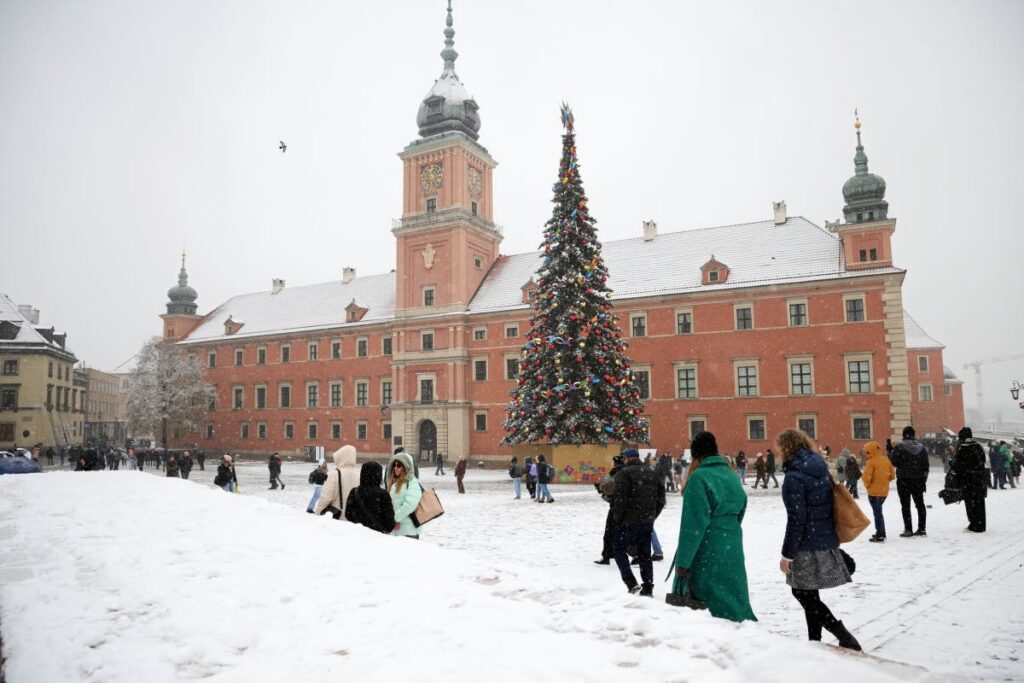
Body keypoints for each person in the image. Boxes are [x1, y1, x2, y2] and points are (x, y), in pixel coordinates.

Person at [777, 428, 860, 650]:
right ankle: (814, 642)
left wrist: (787, 554)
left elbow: (797, 518)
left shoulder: (794, 476)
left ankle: (844, 636)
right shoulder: (819, 468)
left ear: (786, 449)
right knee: (809, 592)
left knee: (802, 593)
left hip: (806, 543)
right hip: (823, 537)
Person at [673, 432, 756, 622]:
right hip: (732, 543)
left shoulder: (698, 478)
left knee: (709, 606)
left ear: (695, 455)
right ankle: (744, 635)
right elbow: (742, 505)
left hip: (708, 547)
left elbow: (693, 525)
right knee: (733, 597)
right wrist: (729, 528)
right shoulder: (730, 474)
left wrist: (683, 563)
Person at [611, 449, 665, 596]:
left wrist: (618, 517)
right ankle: (648, 587)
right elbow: (661, 499)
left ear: (627, 459)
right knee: (645, 554)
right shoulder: (652, 473)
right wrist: (652, 516)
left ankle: (631, 583)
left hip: (628, 521)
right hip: (646, 521)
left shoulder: (624, 474)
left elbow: (620, 499)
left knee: (618, 549)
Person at [889, 426, 929, 537]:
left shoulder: (899, 447)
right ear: (914, 434)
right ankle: (922, 529)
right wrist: (923, 481)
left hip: (904, 481)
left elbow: (894, 462)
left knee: (905, 505)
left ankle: (908, 529)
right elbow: (925, 467)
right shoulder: (922, 448)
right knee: (920, 504)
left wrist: (890, 452)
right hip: (918, 481)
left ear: (904, 435)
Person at [952, 427, 987, 532]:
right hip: (979, 479)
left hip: (968, 480)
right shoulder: (978, 446)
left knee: (970, 503)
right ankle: (981, 524)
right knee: (979, 502)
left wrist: (953, 465)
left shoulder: (963, 448)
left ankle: (973, 524)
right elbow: (983, 461)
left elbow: (959, 466)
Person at [345, 461, 396, 533]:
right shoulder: (383, 494)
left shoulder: (354, 492)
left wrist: (359, 523)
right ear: (379, 475)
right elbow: (390, 523)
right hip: (377, 536)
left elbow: (348, 514)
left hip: (357, 534)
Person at [594, 454, 627, 565]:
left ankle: (607, 555)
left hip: (617, 506)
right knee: (624, 531)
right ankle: (614, 553)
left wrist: (599, 487)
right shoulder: (627, 471)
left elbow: (609, 488)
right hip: (627, 506)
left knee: (609, 532)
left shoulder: (616, 472)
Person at [861, 440, 895, 542]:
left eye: (866, 451)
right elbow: (892, 476)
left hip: (873, 493)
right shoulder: (886, 460)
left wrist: (867, 486)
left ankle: (880, 534)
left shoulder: (870, 462)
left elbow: (867, 478)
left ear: (869, 451)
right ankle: (881, 532)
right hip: (884, 492)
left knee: (877, 514)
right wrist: (884, 482)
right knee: (879, 512)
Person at [314, 445, 359, 518]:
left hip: (337, 518)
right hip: (352, 519)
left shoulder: (335, 474)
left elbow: (326, 498)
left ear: (340, 458)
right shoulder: (357, 476)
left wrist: (317, 514)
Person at [386, 450, 423, 538]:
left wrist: (395, 519)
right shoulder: (394, 483)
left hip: (409, 531)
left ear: (406, 467)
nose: (395, 468)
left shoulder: (412, 482)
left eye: (399, 465)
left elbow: (410, 504)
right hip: (397, 531)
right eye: (394, 465)